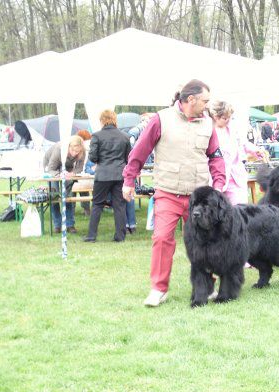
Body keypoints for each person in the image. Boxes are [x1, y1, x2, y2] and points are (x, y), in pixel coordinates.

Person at [122, 79, 226, 307]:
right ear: (191, 100)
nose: (208, 105)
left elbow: (216, 156)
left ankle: (207, 286)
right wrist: (129, 179)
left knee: (206, 241)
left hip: (199, 196)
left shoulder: (208, 124)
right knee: (161, 238)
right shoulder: (161, 119)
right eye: (205, 101)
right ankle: (159, 289)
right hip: (168, 192)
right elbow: (140, 150)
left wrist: (219, 183)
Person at [84, 109, 131, 243]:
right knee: (119, 206)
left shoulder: (97, 136)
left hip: (102, 175)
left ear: (102, 121)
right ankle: (120, 236)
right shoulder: (125, 136)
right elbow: (129, 158)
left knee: (97, 204)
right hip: (119, 175)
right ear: (115, 119)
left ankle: (91, 236)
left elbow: (92, 157)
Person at [43, 135, 86, 233]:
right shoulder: (59, 148)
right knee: (54, 195)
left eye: (77, 152)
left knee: (68, 196)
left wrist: (72, 173)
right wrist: (59, 175)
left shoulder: (82, 151)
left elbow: (79, 168)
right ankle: (57, 225)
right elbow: (51, 168)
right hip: (51, 166)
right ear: (69, 147)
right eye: (73, 151)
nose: (75, 153)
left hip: (67, 168)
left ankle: (70, 224)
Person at [209, 100, 248, 205]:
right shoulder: (207, 130)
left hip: (235, 178)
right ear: (215, 116)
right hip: (214, 179)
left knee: (241, 212)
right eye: (225, 118)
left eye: (230, 117)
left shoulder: (233, 129)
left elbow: (243, 143)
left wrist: (255, 150)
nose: (228, 120)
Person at [76, 129, 93, 216]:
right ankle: (87, 210)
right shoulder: (93, 144)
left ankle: (73, 209)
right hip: (93, 177)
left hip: (87, 176)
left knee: (75, 185)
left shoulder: (83, 147)